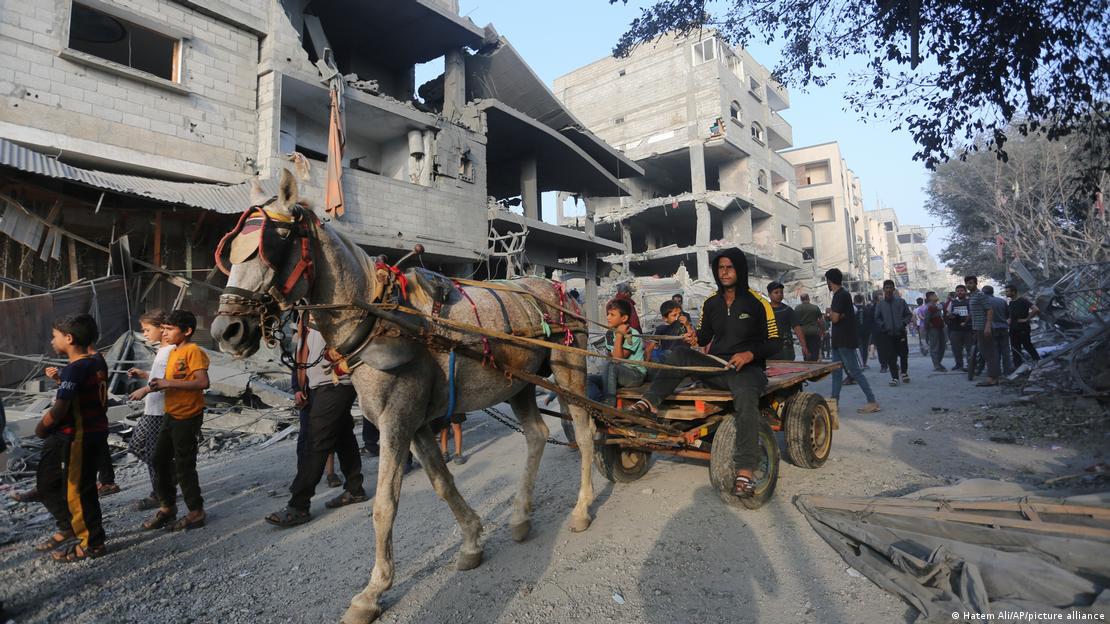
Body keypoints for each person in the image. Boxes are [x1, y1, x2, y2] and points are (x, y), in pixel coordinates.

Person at [626, 249, 779, 498]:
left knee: (746, 396)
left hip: (749, 370)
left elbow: (775, 341)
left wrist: (750, 355)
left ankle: (746, 469)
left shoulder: (758, 302)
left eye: (730, 267)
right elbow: (705, 337)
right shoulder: (711, 303)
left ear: (739, 269)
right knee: (678, 355)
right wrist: (694, 337)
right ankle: (650, 402)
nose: (725, 272)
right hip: (717, 366)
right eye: (721, 268)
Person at [267, 325, 369, 527]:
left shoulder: (330, 312)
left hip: (336, 383)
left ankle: (299, 505)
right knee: (343, 437)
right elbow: (300, 358)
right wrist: (298, 386)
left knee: (316, 440)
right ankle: (355, 488)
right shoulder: (306, 318)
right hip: (316, 386)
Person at [33, 313, 109, 561]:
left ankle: (91, 544)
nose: (52, 341)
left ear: (69, 338)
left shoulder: (75, 369)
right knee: (81, 488)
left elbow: (61, 408)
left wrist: (42, 427)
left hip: (78, 437)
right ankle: (85, 535)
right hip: (92, 432)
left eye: (54, 336)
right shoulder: (93, 364)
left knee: (78, 490)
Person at [143, 310, 210, 532]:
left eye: (170, 329)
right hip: (171, 414)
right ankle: (167, 507)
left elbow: (202, 382)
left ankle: (196, 511)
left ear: (187, 331)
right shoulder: (173, 351)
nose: (164, 332)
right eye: (163, 328)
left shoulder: (193, 351)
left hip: (188, 416)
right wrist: (156, 383)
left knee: (184, 466)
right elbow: (173, 379)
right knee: (159, 460)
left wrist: (168, 384)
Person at [126, 310, 175, 510]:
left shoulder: (171, 350)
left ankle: (160, 493)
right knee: (137, 446)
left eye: (147, 329)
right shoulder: (162, 350)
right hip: (152, 409)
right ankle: (169, 476)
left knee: (154, 454)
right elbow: (159, 376)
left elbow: (169, 380)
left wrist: (145, 389)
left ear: (162, 328)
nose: (144, 334)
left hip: (160, 411)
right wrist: (145, 374)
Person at [290, 323, 341, 488]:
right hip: (307, 394)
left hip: (326, 391)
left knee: (329, 432)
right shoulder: (302, 340)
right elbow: (296, 366)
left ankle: (331, 473)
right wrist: (297, 389)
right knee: (305, 436)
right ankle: (303, 473)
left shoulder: (330, 335)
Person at [824, 269, 881, 415]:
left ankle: (872, 401)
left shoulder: (840, 295)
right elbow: (839, 316)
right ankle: (834, 403)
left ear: (829, 281)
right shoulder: (842, 294)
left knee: (854, 371)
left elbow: (835, 318)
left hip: (843, 340)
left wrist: (830, 314)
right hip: (839, 340)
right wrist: (836, 314)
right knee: (836, 372)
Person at [586, 299, 646, 406]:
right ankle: (598, 403)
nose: (608, 317)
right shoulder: (609, 333)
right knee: (587, 379)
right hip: (616, 374)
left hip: (635, 375)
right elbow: (610, 356)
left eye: (612, 315)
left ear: (624, 318)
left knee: (611, 365)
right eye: (608, 314)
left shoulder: (633, 334)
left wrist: (619, 336)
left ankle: (609, 403)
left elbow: (617, 360)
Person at [873, 279, 912, 386]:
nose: (889, 289)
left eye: (890, 287)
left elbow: (908, 315)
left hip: (900, 333)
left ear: (894, 289)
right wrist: (883, 326)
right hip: (888, 334)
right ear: (884, 289)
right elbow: (877, 318)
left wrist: (903, 324)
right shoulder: (880, 304)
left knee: (903, 354)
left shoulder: (901, 302)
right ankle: (894, 377)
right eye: (886, 287)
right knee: (891, 357)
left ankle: (904, 373)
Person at [767, 282, 804, 361]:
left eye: (781, 292)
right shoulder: (763, 310)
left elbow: (797, 328)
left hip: (786, 349)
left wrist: (804, 346)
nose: (779, 294)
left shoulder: (788, 310)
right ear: (769, 295)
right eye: (776, 292)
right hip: (769, 349)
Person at [1006, 284, 1041, 367]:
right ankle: (1018, 366)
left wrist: (1027, 319)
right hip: (1013, 329)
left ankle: (1037, 360)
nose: (1006, 293)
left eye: (1007, 291)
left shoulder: (1023, 300)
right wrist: (1008, 323)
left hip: (1023, 328)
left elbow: (1036, 309)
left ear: (1013, 292)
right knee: (1015, 348)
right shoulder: (1011, 303)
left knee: (1027, 345)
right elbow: (1011, 316)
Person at [983, 285, 1014, 376]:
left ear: (983, 293)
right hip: (1003, 328)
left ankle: (996, 372)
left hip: (991, 329)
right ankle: (1007, 371)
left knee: (994, 351)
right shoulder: (1002, 301)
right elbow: (1008, 315)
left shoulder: (984, 302)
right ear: (992, 292)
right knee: (1005, 351)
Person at [945, 284, 973, 371]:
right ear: (956, 292)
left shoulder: (970, 302)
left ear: (965, 291)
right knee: (956, 349)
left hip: (968, 329)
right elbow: (947, 313)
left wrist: (966, 321)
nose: (959, 292)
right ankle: (959, 364)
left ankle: (970, 365)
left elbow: (972, 313)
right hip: (955, 329)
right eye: (958, 291)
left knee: (970, 349)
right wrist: (951, 316)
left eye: (961, 290)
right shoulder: (952, 302)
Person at [793, 293, 824, 362]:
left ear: (801, 299)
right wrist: (822, 330)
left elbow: (795, 322)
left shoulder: (797, 308)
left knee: (805, 349)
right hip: (814, 332)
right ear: (808, 298)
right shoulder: (815, 307)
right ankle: (814, 363)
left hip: (802, 333)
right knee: (815, 351)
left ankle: (807, 361)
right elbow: (821, 321)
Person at [924, 291, 948, 372]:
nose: (936, 296)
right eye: (934, 295)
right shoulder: (929, 307)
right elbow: (926, 319)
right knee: (935, 347)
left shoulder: (936, 306)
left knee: (942, 346)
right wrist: (928, 328)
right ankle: (936, 365)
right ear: (929, 298)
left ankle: (938, 363)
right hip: (933, 329)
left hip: (940, 328)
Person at [855, 294, 873, 369]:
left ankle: (860, 363)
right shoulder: (867, 309)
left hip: (857, 332)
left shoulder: (853, 309)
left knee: (860, 347)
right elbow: (870, 320)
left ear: (855, 300)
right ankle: (864, 363)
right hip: (866, 332)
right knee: (865, 347)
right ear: (862, 300)